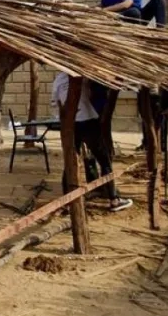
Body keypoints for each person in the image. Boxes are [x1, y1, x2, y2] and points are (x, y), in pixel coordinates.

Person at [51, 72, 133, 212]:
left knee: (70, 162)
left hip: (70, 124)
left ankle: (67, 202)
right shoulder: (85, 75)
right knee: (104, 160)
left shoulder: (58, 79)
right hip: (88, 121)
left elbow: (54, 103)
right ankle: (114, 199)